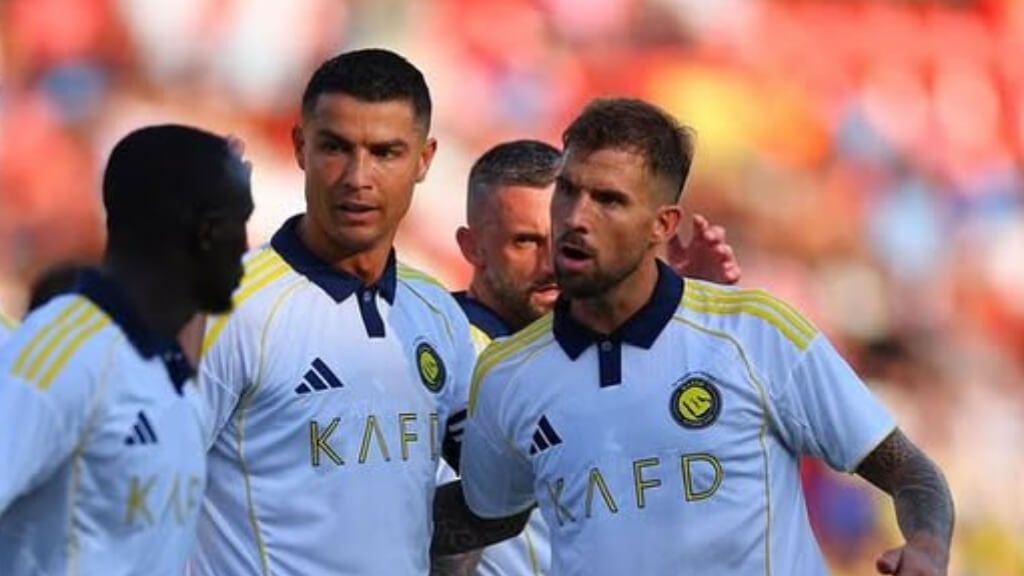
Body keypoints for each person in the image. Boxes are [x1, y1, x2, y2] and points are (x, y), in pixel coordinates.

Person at [459, 99, 954, 575]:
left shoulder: (757, 335)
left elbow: (912, 474)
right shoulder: (508, 375)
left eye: (608, 200)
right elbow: (477, 522)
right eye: (568, 191)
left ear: (662, 224)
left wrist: (927, 547)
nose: (575, 218)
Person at [191, 49, 518, 576]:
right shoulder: (230, 309)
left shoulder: (433, 309)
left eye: (386, 152)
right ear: (300, 147)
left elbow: (491, 495)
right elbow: (141, 492)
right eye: (336, 148)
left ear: (425, 160)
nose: (357, 177)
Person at [435, 138, 742, 576]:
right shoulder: (452, 347)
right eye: (525, 242)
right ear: (473, 248)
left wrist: (673, 322)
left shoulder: (584, 351)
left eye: (563, 241)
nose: (550, 265)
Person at [0, 124, 253, 574]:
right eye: (239, 225)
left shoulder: (168, 373)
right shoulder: (62, 356)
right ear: (206, 234)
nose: (246, 250)